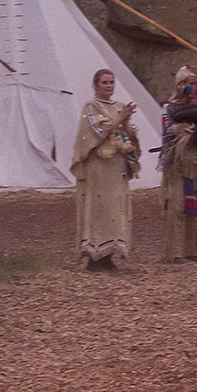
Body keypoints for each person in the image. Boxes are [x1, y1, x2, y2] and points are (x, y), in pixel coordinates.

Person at [71, 68, 140, 272]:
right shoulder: (91, 106)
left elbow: (128, 136)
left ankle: (109, 255)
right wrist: (119, 119)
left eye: (111, 82)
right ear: (95, 86)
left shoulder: (119, 107)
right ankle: (95, 257)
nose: (109, 86)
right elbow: (96, 131)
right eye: (104, 82)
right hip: (99, 168)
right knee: (99, 208)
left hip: (117, 167)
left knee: (115, 209)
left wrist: (126, 124)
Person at [160, 65, 197, 263]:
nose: (194, 89)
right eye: (190, 84)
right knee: (176, 205)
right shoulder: (170, 108)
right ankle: (174, 253)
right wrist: (192, 119)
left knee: (196, 206)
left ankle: (191, 250)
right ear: (180, 85)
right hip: (177, 161)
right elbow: (169, 132)